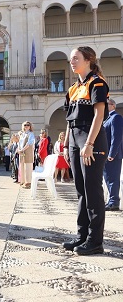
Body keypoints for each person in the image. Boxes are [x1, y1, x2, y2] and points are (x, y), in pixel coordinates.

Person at [61, 46, 109, 256]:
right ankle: (82, 235)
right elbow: (70, 120)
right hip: (74, 140)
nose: (72, 61)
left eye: (75, 58)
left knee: (92, 191)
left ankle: (95, 240)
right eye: (71, 59)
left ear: (88, 59)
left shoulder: (97, 83)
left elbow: (99, 116)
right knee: (80, 191)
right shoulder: (73, 88)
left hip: (92, 141)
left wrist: (88, 145)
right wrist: (66, 145)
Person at [103, 98, 122, 211]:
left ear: (113, 105)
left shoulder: (116, 118)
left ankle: (114, 202)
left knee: (113, 179)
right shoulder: (107, 119)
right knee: (108, 178)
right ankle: (111, 200)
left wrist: (112, 153)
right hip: (106, 154)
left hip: (112, 155)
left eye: (107, 105)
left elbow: (117, 137)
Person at [17, 122, 35, 189]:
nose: (26, 126)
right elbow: (19, 142)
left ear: (30, 126)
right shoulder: (22, 134)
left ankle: (28, 182)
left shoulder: (31, 134)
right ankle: (23, 181)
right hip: (21, 152)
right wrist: (19, 149)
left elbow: (29, 143)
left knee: (28, 167)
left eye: (28, 125)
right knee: (22, 167)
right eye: (25, 125)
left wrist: (22, 149)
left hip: (28, 151)